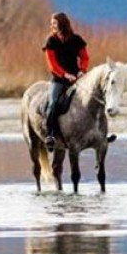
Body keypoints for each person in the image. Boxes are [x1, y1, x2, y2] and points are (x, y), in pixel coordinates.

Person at [42, 12, 88, 150]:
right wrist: (65, 75)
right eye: (52, 23)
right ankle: (50, 134)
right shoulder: (51, 41)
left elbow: (85, 57)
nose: (52, 26)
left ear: (62, 24)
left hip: (77, 78)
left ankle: (99, 132)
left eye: (54, 23)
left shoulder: (77, 39)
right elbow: (52, 65)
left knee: (93, 99)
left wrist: (82, 70)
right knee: (53, 102)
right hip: (59, 80)